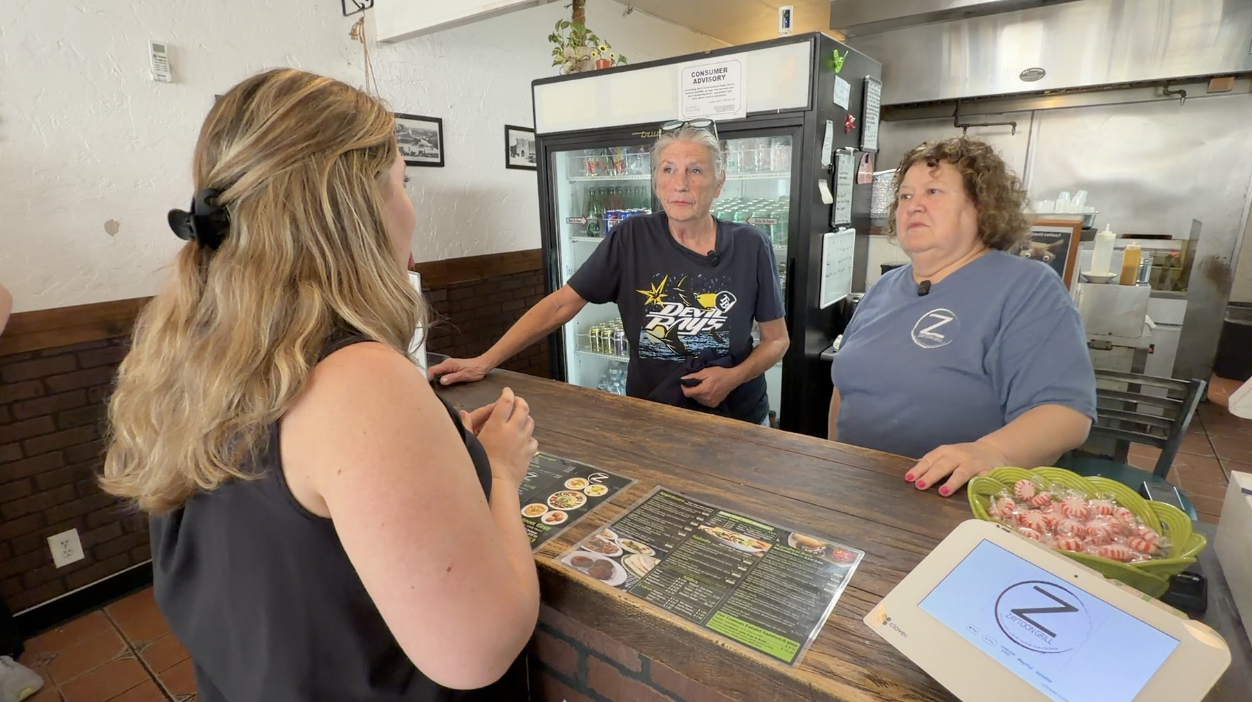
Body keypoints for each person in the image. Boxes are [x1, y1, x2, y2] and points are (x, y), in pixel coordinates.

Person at [100, 69, 538, 700]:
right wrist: (498, 469)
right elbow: (478, 650)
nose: (411, 209)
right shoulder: (358, 379)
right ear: (355, 209)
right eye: (403, 184)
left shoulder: (184, 353)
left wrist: (438, 455)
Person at [430, 120, 789, 425]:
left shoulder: (751, 244)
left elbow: (777, 340)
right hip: (653, 416)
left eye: (695, 170)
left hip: (738, 418)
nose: (681, 183)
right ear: (656, 181)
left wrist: (732, 378)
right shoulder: (631, 237)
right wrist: (483, 361)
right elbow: (560, 305)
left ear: (719, 183)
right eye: (668, 169)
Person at [829, 137, 1096, 497]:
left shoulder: (1026, 287)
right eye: (906, 196)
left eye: (933, 191)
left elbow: (1065, 415)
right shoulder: (884, 286)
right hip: (856, 491)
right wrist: (834, 458)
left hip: (955, 501)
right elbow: (846, 388)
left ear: (982, 206)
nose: (914, 206)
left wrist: (992, 452)